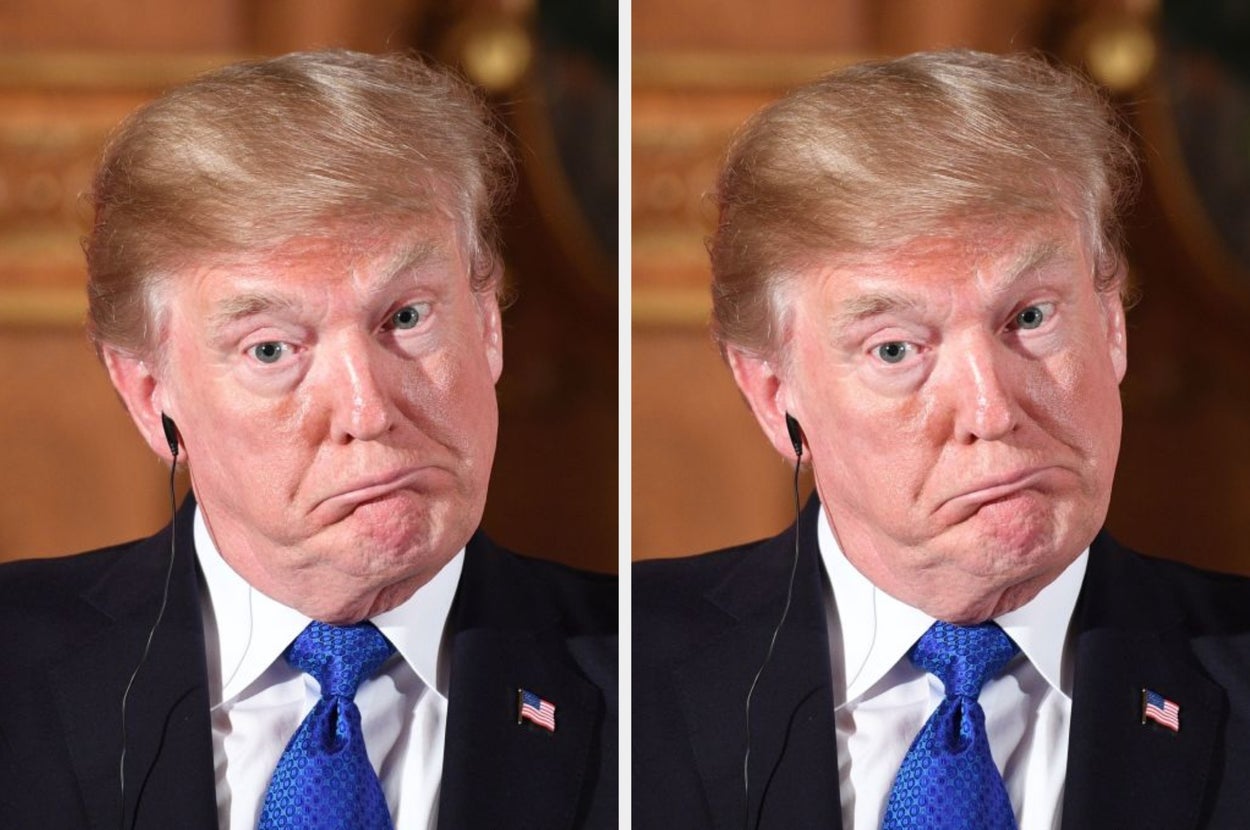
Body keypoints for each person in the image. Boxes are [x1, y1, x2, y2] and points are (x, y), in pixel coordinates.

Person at [633, 49, 1250, 830]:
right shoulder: (613, 671)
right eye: (896, 349)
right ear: (771, 393)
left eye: (1031, 317)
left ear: (1114, 324)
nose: (991, 411)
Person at [0, 50, 616, 830]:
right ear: (149, 393)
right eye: (271, 350)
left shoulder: (656, 682)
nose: (366, 410)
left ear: (488, 324)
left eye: (407, 317)